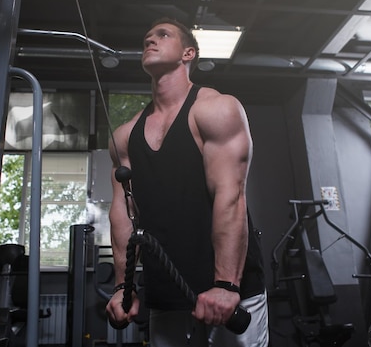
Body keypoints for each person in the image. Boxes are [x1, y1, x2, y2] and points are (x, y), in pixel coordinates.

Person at [105, 17, 268, 347]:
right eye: (146, 38)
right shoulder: (124, 136)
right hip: (166, 294)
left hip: (228, 295)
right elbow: (123, 214)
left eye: (162, 35)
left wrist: (227, 285)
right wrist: (124, 287)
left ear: (188, 53)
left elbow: (230, 196)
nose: (150, 40)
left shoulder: (216, 110)